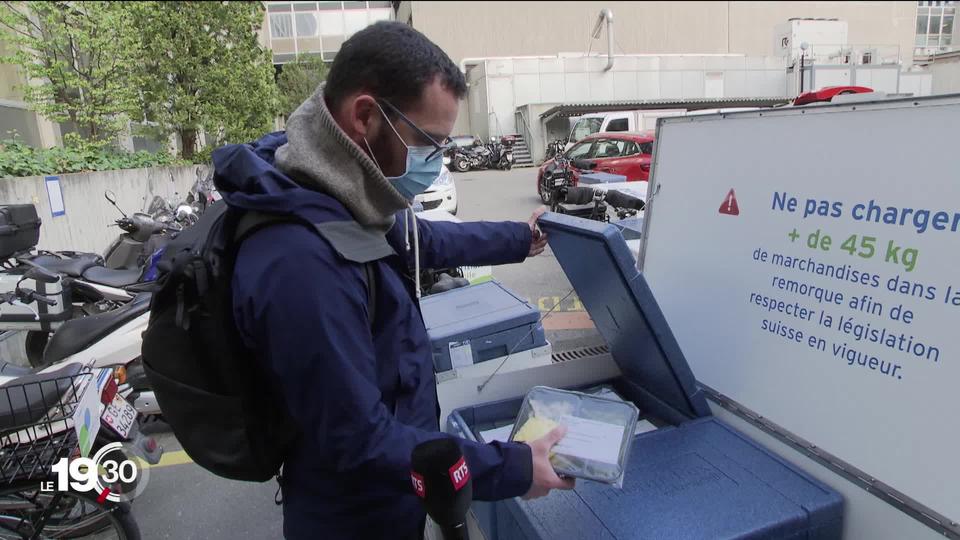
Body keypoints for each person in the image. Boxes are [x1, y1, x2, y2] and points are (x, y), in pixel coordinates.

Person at [211, 21, 574, 540]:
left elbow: (420, 239)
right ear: (364, 116)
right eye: (429, 142)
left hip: (396, 489)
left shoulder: (340, 191)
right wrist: (513, 468)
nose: (436, 162)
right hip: (354, 516)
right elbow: (357, 440)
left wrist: (519, 238)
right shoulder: (299, 264)